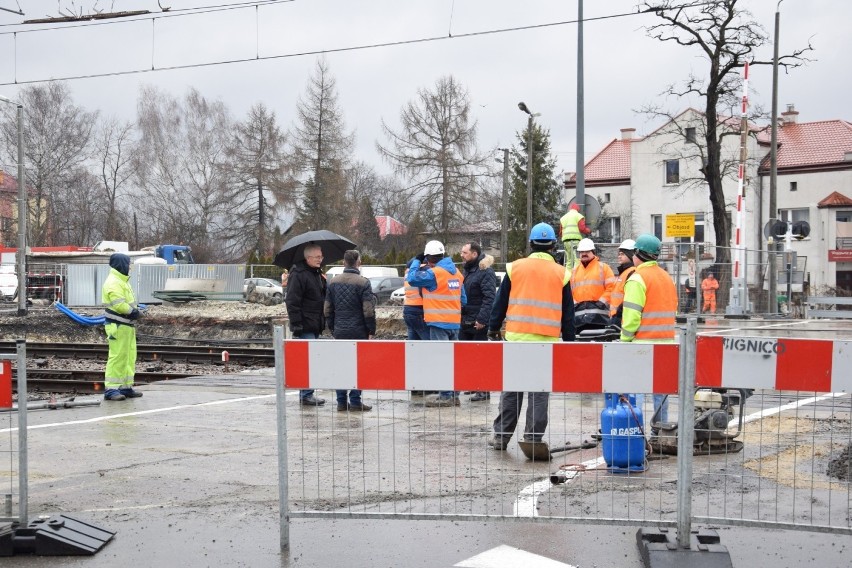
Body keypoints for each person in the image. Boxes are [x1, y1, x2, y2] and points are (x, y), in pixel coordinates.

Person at [487, 223, 575, 450]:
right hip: (546, 343)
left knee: (512, 390)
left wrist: (493, 328)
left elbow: (500, 302)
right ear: (553, 246)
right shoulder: (561, 273)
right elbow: (568, 313)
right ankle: (533, 438)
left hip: (517, 340)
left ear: (531, 244)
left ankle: (501, 436)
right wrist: (570, 342)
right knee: (539, 393)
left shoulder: (515, 268)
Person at [620, 234, 678, 423]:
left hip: (643, 343)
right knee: (661, 393)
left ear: (637, 254)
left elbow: (631, 316)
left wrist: (625, 340)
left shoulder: (637, 278)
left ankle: (635, 432)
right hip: (667, 342)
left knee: (635, 391)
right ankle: (660, 431)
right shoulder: (667, 278)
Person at [406, 239, 467, 407]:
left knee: (440, 360)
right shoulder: (457, 273)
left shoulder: (434, 274)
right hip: (454, 323)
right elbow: (464, 299)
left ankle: (446, 395)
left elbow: (412, 278)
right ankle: (454, 394)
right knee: (453, 360)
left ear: (429, 258)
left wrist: (417, 261)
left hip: (438, 323)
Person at [324, 250, 375, 412]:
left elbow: (327, 309)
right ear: (358, 262)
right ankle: (355, 401)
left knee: (341, 366)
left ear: (343, 263)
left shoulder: (333, 283)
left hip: (340, 330)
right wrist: (371, 329)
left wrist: (332, 327)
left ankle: (340, 402)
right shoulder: (363, 283)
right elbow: (368, 310)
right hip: (358, 331)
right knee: (358, 366)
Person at [284, 243, 327, 406]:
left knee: (312, 360)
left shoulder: (315, 273)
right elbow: (292, 302)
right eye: (317, 257)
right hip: (305, 324)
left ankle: (307, 393)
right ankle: (306, 394)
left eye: (321, 257)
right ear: (308, 257)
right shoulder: (299, 274)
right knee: (307, 361)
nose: (320, 260)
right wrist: (297, 325)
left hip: (314, 323)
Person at [102, 253, 143, 401]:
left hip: (125, 325)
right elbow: (119, 304)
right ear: (122, 265)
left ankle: (125, 386)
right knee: (118, 356)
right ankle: (111, 389)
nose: (130, 267)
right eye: (128, 264)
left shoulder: (121, 280)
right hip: (118, 325)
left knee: (128, 356)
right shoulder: (114, 282)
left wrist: (134, 312)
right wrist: (133, 312)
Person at [459, 242, 496, 402]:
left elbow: (489, 298)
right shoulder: (468, 270)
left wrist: (482, 319)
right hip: (465, 319)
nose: (461, 255)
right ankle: (473, 384)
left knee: (479, 357)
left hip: (477, 321)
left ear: (474, 254)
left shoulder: (485, 271)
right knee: (466, 355)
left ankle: (483, 390)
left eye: (465, 252)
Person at [570, 238, 616, 330]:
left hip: (599, 319)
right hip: (579, 320)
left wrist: (600, 303)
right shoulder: (574, 271)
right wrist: (574, 304)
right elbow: (570, 292)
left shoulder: (604, 268)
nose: (584, 254)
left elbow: (611, 288)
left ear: (593, 252)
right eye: (581, 251)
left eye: (587, 251)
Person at [609, 239, 636, 328]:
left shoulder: (632, 272)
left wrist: (619, 313)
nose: (619, 256)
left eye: (622, 254)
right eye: (619, 254)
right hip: (616, 316)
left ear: (630, 255)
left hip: (621, 317)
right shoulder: (624, 272)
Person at [559, 203, 591, 268]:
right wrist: (589, 231)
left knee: (569, 261)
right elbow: (582, 229)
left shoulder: (563, 218)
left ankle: (568, 277)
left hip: (566, 242)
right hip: (575, 241)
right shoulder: (578, 216)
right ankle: (576, 276)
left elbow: (560, 232)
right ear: (577, 209)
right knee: (577, 260)